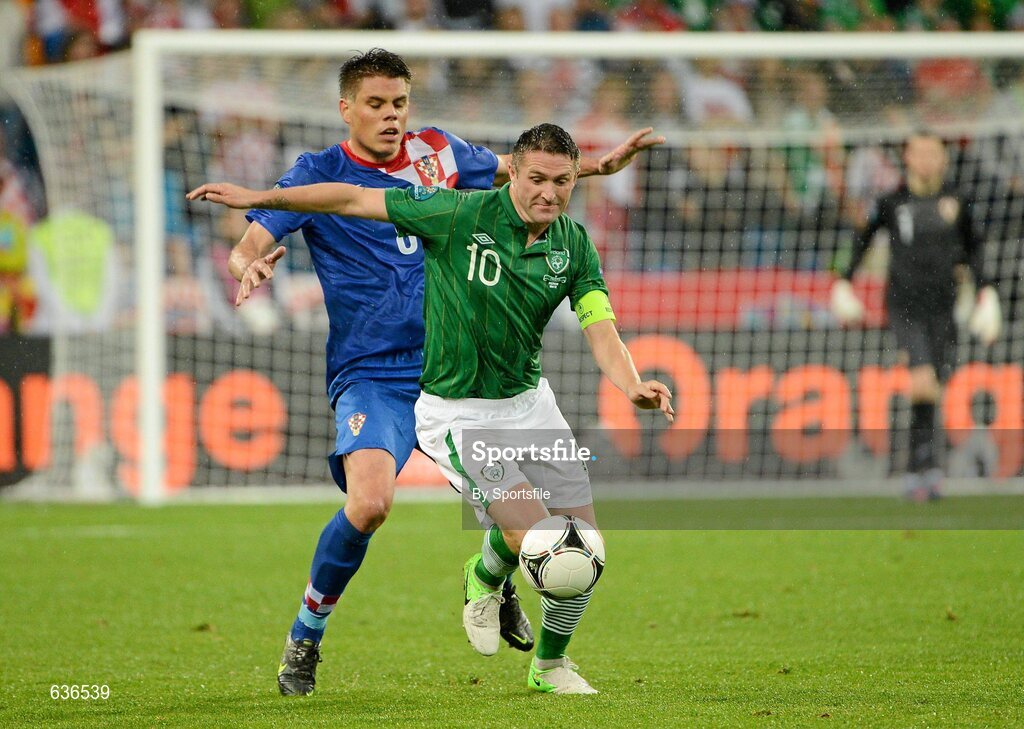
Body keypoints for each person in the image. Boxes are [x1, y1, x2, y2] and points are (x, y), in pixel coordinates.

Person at [213, 48, 665, 696]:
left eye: (399, 102)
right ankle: (306, 635)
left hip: (459, 371)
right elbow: (254, 239)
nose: (391, 115)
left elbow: (522, 172)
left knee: (532, 516)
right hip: (375, 373)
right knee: (369, 503)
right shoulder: (319, 172)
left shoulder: (440, 154)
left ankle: (497, 580)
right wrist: (245, 263)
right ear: (346, 109)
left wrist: (597, 166)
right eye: (375, 104)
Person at [830, 130, 1001, 501]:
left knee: (932, 388)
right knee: (922, 382)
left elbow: (975, 250)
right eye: (918, 152)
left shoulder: (957, 201)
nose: (925, 159)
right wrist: (844, 282)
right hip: (905, 304)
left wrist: (986, 292)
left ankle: (923, 468)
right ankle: (921, 468)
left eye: (932, 152)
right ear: (906, 158)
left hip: (945, 306)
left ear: (943, 158)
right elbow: (863, 238)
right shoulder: (892, 202)